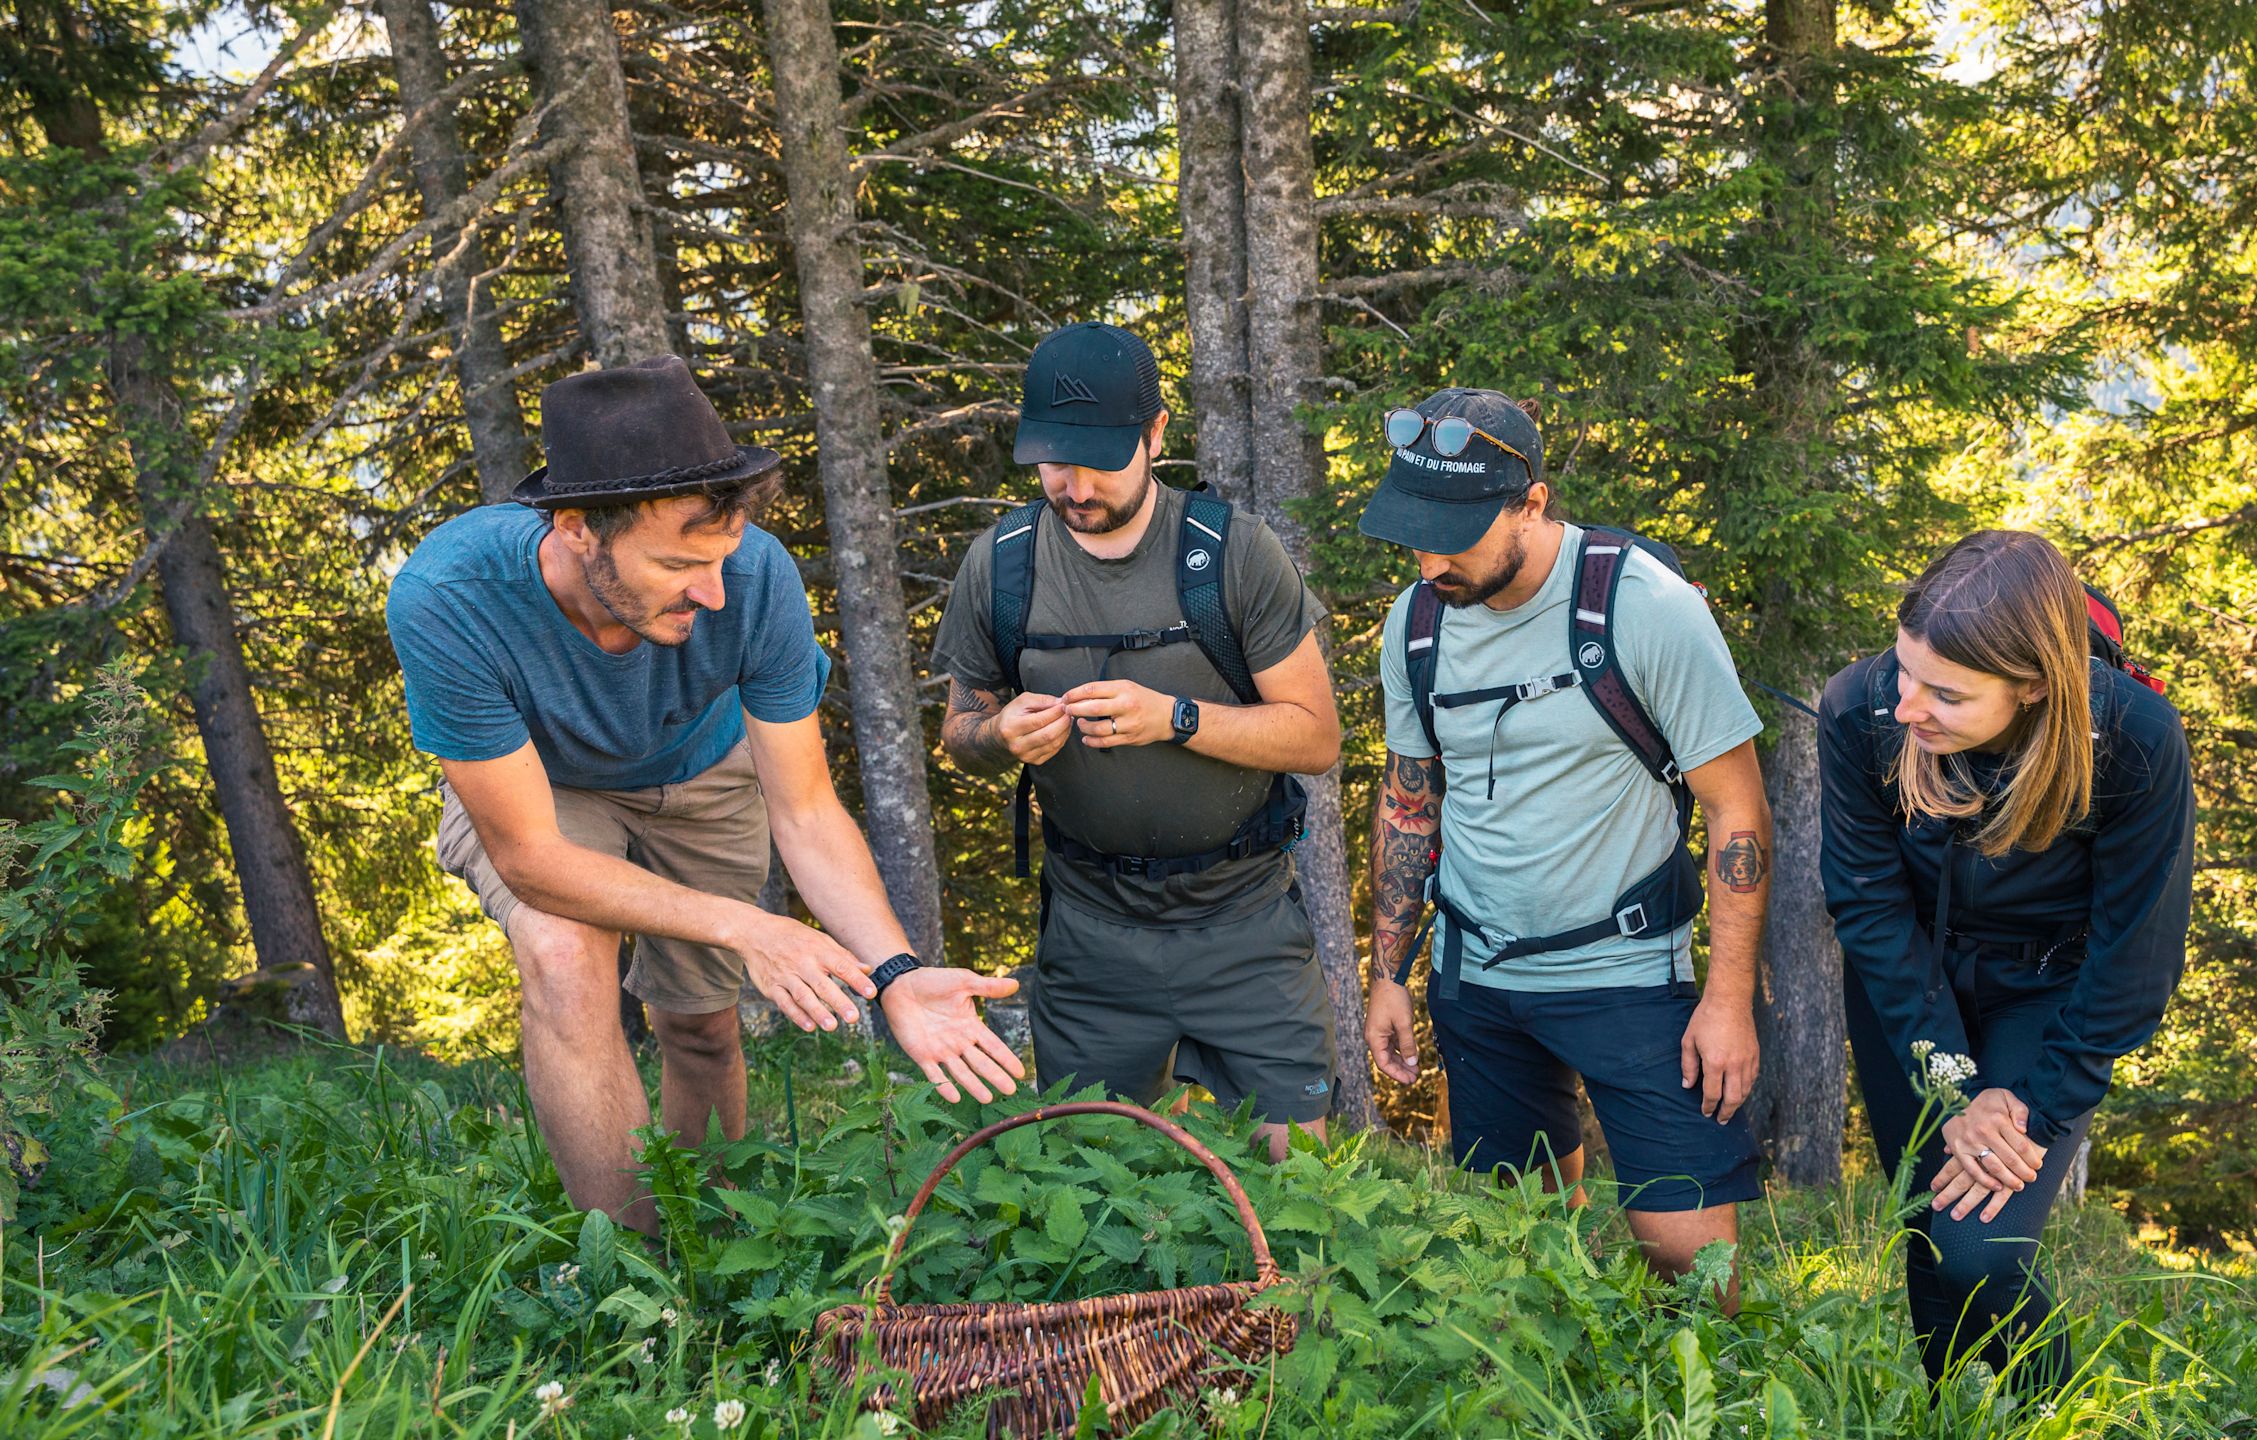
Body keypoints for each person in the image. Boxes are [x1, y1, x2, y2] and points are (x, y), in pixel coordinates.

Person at [389, 356, 1022, 1232]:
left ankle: (712, 1245)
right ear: (577, 527)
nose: (713, 590)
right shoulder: (448, 596)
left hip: (705, 772)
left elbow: (803, 808)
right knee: (568, 960)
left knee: (701, 1026)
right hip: (545, 787)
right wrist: (747, 924)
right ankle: (635, 1276)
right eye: (680, 562)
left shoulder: (754, 578)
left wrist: (898, 974)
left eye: (721, 556)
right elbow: (530, 858)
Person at [1358, 387, 1771, 1289]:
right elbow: (1408, 800)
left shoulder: (1643, 605)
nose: (1430, 559)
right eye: (1413, 532)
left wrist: (1729, 999)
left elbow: (1737, 809)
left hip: (1629, 975)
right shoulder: (1416, 622)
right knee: (1521, 1245)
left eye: (1453, 532)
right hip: (1480, 981)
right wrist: (1389, 976)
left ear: (1532, 504)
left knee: (1692, 1261)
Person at [930, 322, 1343, 1158]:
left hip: (1244, 919)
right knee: (1093, 1176)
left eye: (1100, 458)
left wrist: (1177, 719)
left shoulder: (1232, 555)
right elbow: (958, 733)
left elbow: (1315, 737)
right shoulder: (1003, 566)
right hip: (1091, 929)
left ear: (1157, 435)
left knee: (1293, 1183)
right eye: (1053, 460)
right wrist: (1001, 735)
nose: (1074, 484)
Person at [1818, 528, 2193, 1391]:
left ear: (2031, 685)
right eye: (1905, 669)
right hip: (1907, 984)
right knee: (1928, 1229)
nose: (1909, 703)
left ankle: (2053, 1408)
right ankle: (1950, 1409)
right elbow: (1869, 909)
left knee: (1975, 1246)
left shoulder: (2131, 738)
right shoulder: (1861, 708)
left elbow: (2134, 955)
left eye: (1945, 694)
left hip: (2050, 991)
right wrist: (1953, 1086)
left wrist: (2030, 1104)